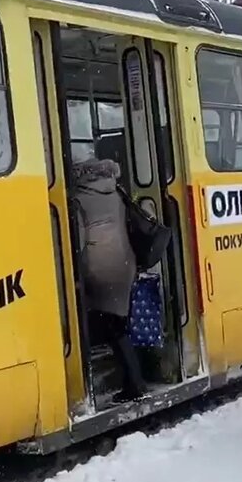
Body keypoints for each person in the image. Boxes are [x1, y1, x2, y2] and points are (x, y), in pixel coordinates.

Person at [70, 157, 148, 404]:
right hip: (124, 264)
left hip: (99, 269)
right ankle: (134, 379)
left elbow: (79, 242)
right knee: (119, 323)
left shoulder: (78, 200)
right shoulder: (116, 192)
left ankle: (134, 384)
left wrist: (75, 274)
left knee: (112, 328)